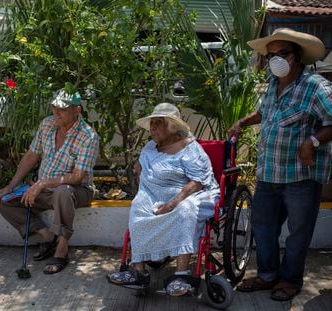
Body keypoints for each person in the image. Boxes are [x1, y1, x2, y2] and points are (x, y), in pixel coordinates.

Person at [229, 28, 332, 301]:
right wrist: (242, 122)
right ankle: (267, 276)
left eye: (282, 53)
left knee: (297, 232)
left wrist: (312, 141)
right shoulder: (274, 84)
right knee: (263, 228)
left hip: (300, 176)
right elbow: (265, 112)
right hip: (268, 174)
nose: (275, 59)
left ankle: (290, 280)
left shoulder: (315, 87)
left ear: (297, 56)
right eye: (270, 55)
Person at [107, 103, 219, 296]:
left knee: (186, 209)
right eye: (152, 124)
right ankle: (138, 271)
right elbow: (141, 166)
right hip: (157, 195)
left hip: (189, 194)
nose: (153, 128)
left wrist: (172, 204)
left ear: (173, 126)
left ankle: (181, 274)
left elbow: (197, 183)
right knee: (139, 205)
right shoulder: (151, 147)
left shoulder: (190, 148)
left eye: (159, 123)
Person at [0, 89, 99, 274]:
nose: (56, 112)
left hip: (76, 190)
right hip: (45, 189)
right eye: (54, 107)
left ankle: (62, 248)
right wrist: (11, 186)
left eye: (62, 109)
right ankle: (48, 236)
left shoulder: (88, 136)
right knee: (5, 200)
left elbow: (77, 176)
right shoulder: (47, 125)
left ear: (77, 110)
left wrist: (43, 183)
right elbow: (31, 155)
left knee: (63, 191)